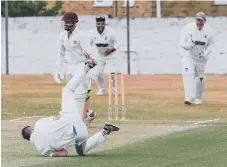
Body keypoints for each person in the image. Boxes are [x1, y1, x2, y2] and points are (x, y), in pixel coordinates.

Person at [21, 60, 119, 157]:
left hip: (79, 133)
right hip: (70, 116)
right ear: (32, 129)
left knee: (82, 152)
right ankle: (87, 67)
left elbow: (64, 153)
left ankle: (105, 130)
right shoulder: (39, 123)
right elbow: (57, 118)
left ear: (29, 139)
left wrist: (62, 143)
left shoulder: (42, 149)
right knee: (67, 90)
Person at [53, 11, 97, 125]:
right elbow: (60, 53)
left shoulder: (81, 35)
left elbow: (87, 50)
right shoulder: (62, 35)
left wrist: (91, 60)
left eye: (69, 23)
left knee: (79, 95)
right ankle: (89, 114)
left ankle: (76, 122)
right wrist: (58, 69)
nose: (66, 25)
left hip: (81, 66)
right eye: (65, 23)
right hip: (70, 67)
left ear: (75, 23)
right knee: (70, 94)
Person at [179, 12, 215, 105]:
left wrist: (205, 54)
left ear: (204, 21)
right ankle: (188, 97)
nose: (199, 23)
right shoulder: (188, 28)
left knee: (200, 79)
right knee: (187, 73)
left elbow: (211, 45)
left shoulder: (210, 31)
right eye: (197, 20)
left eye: (201, 21)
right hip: (188, 56)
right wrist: (187, 46)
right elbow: (181, 41)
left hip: (200, 59)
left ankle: (197, 98)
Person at [89, 16, 119, 95]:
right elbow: (88, 45)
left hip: (111, 54)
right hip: (100, 55)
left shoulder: (111, 32)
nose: (100, 26)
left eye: (102, 24)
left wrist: (112, 49)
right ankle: (102, 89)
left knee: (112, 72)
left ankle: (114, 89)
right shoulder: (92, 33)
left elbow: (119, 43)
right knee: (98, 73)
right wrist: (89, 55)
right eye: (98, 24)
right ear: (96, 24)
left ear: (104, 24)